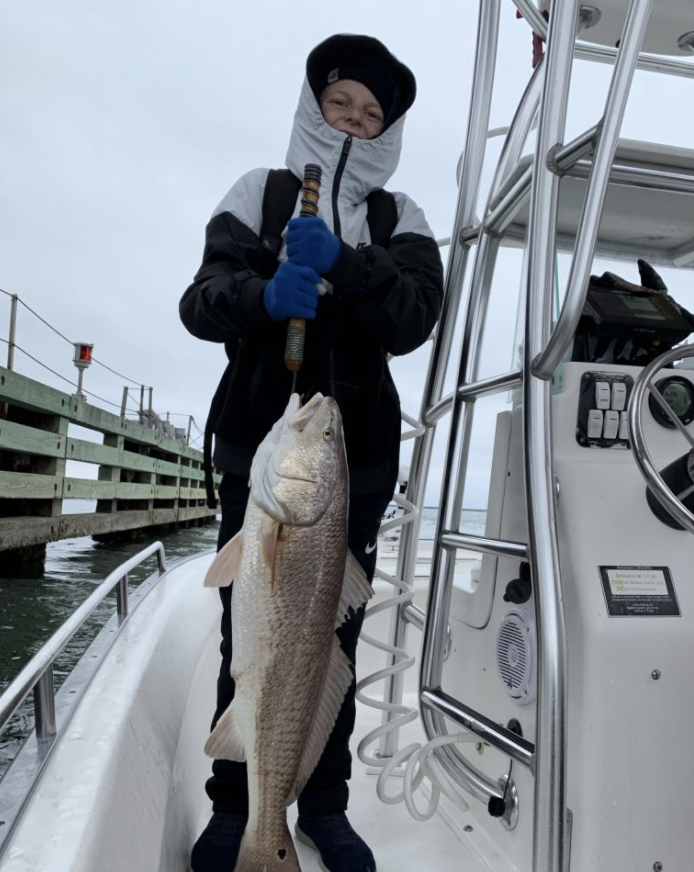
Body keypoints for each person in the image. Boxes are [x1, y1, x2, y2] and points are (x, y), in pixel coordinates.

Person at [180, 33, 443, 872]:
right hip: (260, 462)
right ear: (314, 105)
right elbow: (200, 304)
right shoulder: (258, 195)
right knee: (247, 633)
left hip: (350, 471)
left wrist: (348, 266)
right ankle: (240, 805)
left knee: (332, 647)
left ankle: (322, 806)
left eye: (373, 114)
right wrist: (263, 294)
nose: (355, 123)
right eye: (342, 104)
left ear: (389, 130)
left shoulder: (402, 219)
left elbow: (413, 317)